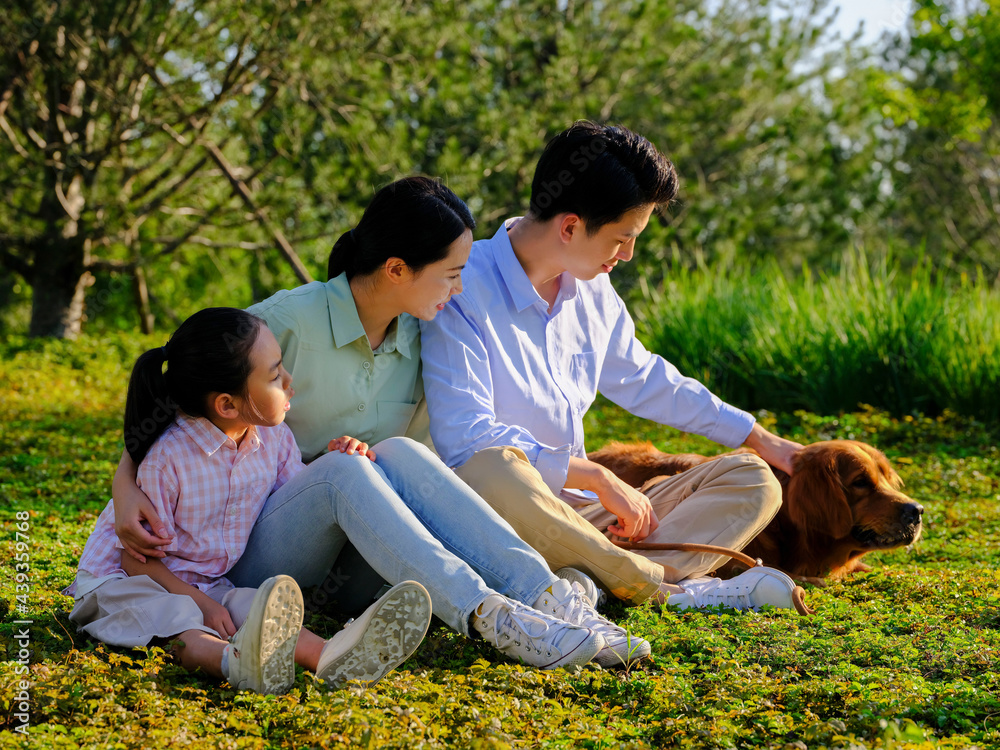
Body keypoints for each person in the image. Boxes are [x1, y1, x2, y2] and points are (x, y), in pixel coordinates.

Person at [107, 178, 646, 670]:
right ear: (396, 269)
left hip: (361, 557)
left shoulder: (421, 336)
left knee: (399, 453)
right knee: (344, 471)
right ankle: (492, 619)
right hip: (245, 561)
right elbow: (184, 393)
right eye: (452, 275)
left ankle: (545, 599)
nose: (458, 290)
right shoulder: (287, 322)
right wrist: (125, 482)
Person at [419, 121, 807, 611]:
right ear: (570, 226)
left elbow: (644, 378)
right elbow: (466, 440)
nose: (627, 255)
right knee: (495, 466)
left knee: (752, 479)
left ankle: (604, 579)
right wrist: (599, 478)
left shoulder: (592, 290)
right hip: (504, 512)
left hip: (585, 520)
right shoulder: (460, 285)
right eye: (622, 239)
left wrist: (760, 438)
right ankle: (667, 589)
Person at [65, 307, 434, 694]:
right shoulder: (168, 458)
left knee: (255, 606)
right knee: (179, 619)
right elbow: (135, 560)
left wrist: (339, 459)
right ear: (227, 405)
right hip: (125, 582)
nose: (290, 382)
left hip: (208, 581)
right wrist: (203, 605)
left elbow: (297, 501)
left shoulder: (272, 439)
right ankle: (233, 663)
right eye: (275, 375)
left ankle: (329, 655)